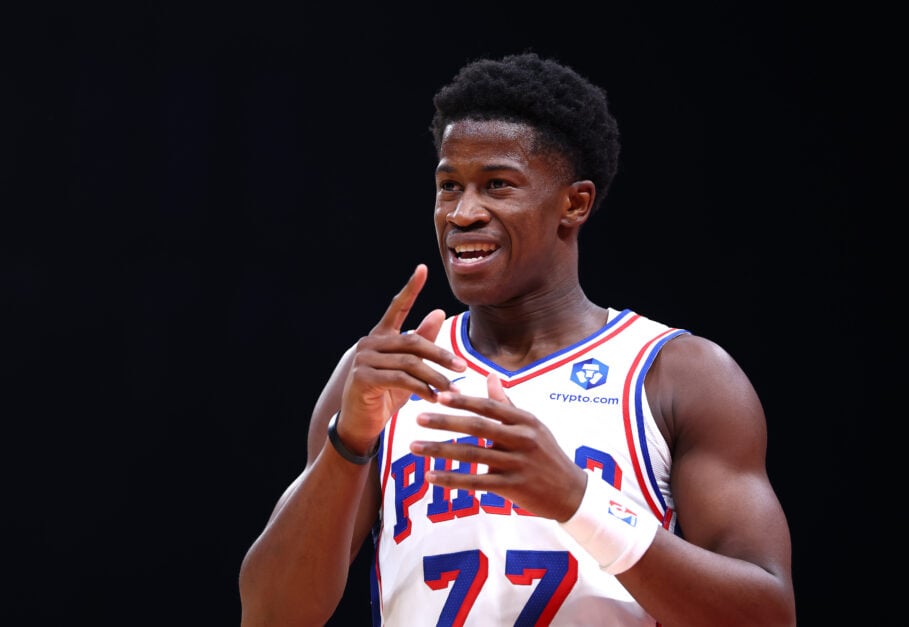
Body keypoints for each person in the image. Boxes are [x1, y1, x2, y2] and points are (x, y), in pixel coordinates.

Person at [238, 51, 796, 626]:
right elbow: (270, 616)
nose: (462, 213)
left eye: (497, 185)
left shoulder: (677, 373)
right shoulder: (383, 376)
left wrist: (579, 502)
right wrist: (349, 442)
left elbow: (768, 615)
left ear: (573, 204)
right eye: (449, 185)